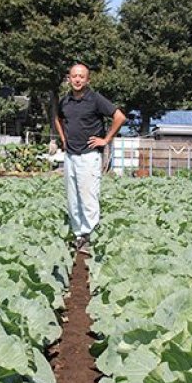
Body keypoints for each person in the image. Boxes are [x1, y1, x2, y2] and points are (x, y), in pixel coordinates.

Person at [54, 63, 126, 257]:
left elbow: (119, 117)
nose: (77, 79)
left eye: (81, 77)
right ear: (69, 79)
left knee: (88, 197)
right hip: (71, 155)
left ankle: (89, 236)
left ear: (87, 80)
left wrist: (106, 139)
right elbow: (57, 119)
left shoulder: (95, 99)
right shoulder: (65, 101)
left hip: (89, 155)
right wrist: (63, 139)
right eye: (74, 76)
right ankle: (78, 234)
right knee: (72, 197)